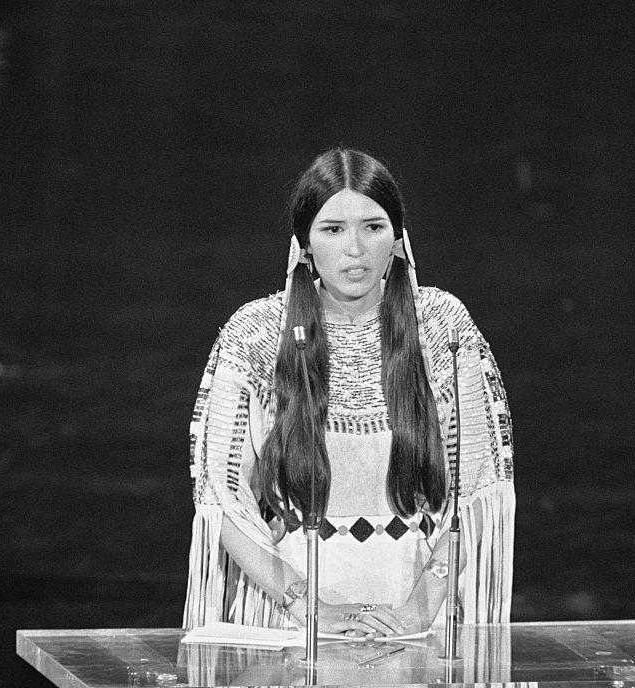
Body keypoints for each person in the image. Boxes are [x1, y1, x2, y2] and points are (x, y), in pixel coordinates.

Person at [183, 148, 514, 638]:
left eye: (373, 227)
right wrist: (304, 605)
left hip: (415, 619)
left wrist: (419, 611)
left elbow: (480, 488)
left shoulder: (444, 328)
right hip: (289, 622)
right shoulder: (254, 334)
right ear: (304, 243)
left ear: (398, 240)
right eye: (333, 229)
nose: (355, 249)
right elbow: (219, 494)